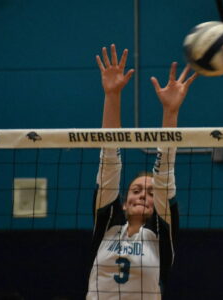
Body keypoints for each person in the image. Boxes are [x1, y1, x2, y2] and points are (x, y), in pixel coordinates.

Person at [86, 44, 198, 299]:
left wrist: (171, 111)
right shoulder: (107, 227)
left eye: (150, 193)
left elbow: (165, 172)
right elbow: (109, 161)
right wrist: (112, 94)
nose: (142, 196)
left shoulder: (160, 235)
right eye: (136, 191)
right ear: (124, 203)